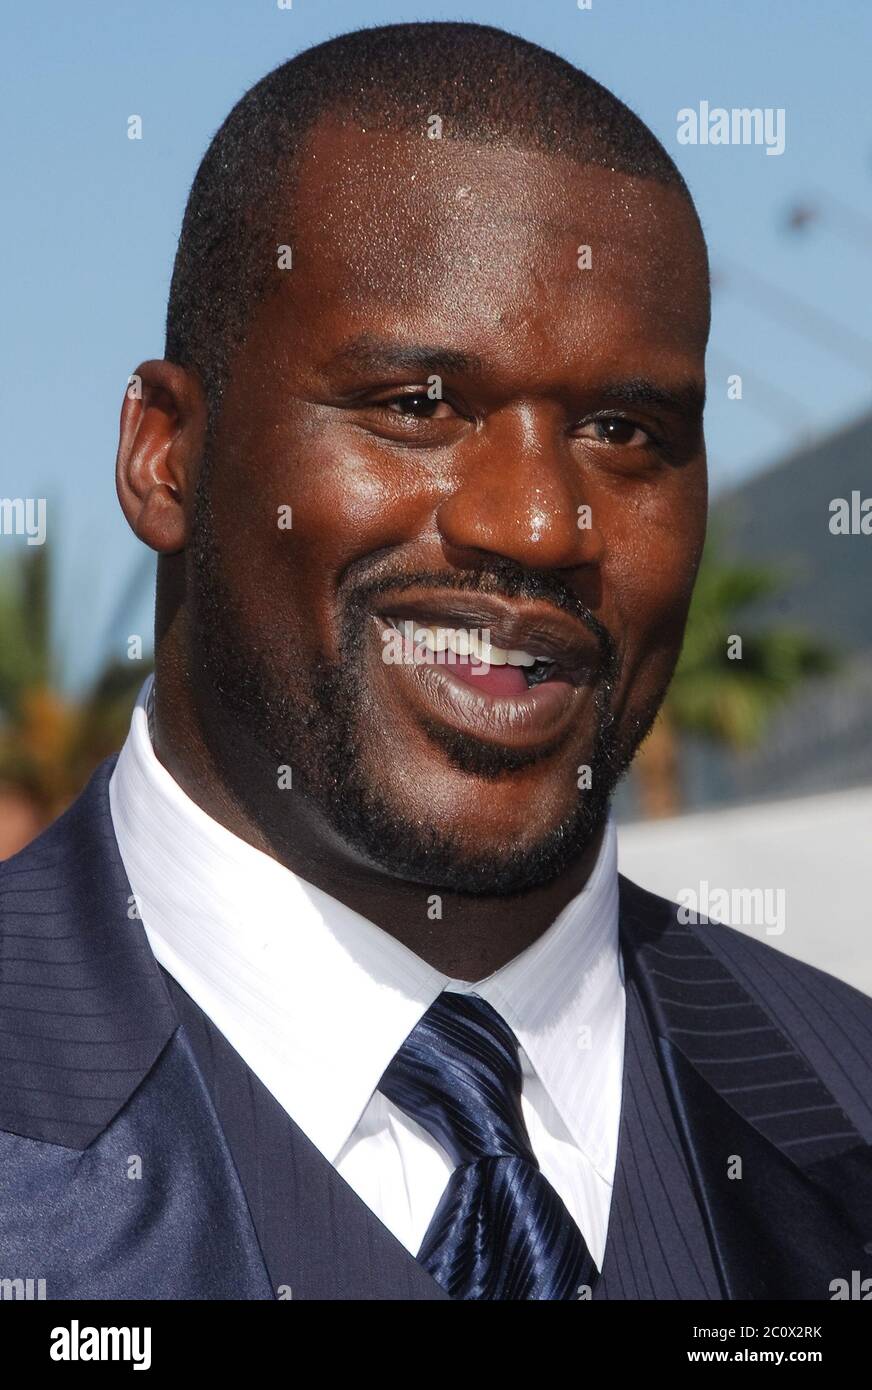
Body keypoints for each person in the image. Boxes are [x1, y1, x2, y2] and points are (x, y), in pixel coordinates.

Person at [2, 20, 870, 1302]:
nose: (533, 523)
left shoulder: (841, 1117)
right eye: (418, 406)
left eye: (623, 429)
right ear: (166, 456)